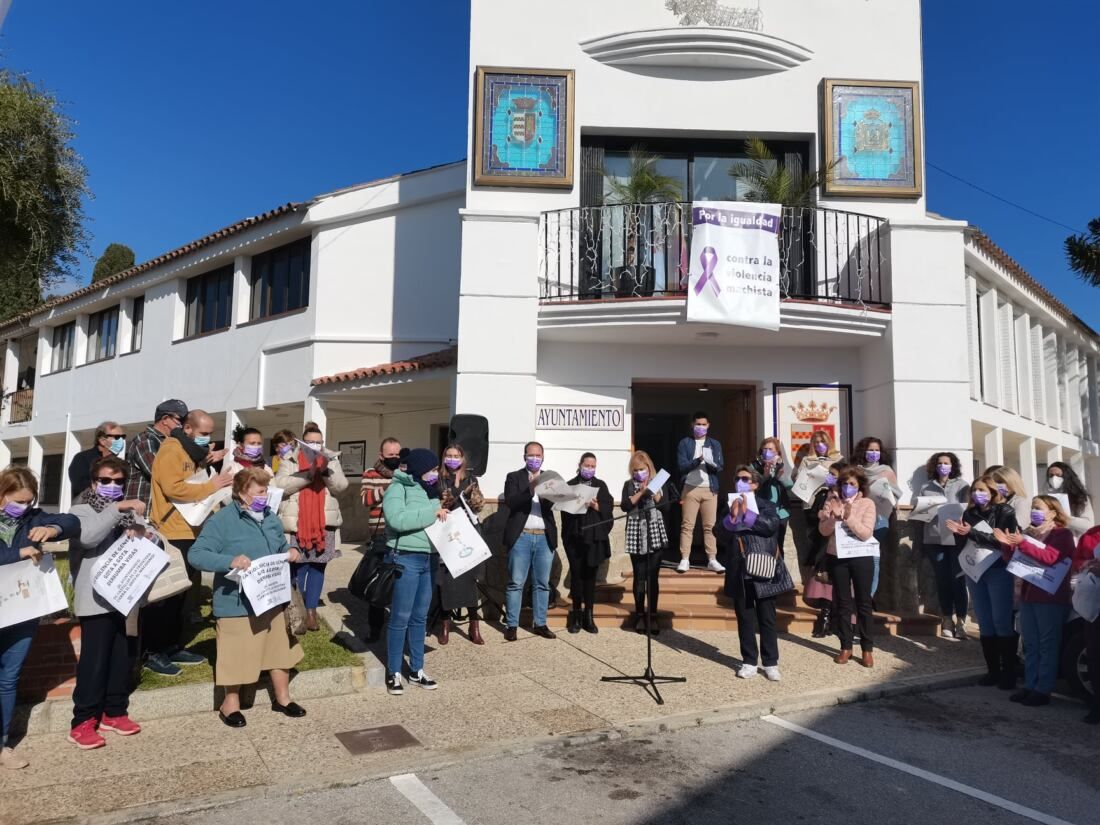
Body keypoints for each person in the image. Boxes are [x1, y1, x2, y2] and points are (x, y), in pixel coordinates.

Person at [187, 467, 306, 727]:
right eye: (261, 491)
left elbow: (280, 546)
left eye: (267, 490)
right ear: (243, 494)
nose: (266, 496)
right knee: (236, 653)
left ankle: (283, 698)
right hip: (237, 601)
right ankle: (230, 704)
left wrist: (291, 550)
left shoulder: (270, 517)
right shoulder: (222, 521)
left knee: (279, 650)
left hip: (271, 598)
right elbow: (196, 554)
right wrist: (229, 560)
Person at [67, 457, 151, 749]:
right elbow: (88, 538)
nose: (112, 487)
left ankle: (114, 711)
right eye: (105, 480)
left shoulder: (130, 513)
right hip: (94, 599)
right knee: (95, 660)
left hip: (125, 597)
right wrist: (117, 509)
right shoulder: (80, 509)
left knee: (121, 656)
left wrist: (143, 533)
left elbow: (151, 543)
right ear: (93, 482)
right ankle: (83, 720)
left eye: (118, 482)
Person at [0, 467, 80, 769]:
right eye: (18, 501)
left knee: (8, 679)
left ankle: (3, 744)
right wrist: (17, 554)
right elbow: (15, 555)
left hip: (21, 613)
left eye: (29, 501)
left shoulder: (32, 518)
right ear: (2, 494)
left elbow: (71, 521)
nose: (23, 507)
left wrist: (53, 530)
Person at [147, 410, 233, 675]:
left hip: (192, 529)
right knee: (166, 596)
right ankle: (153, 651)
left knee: (182, 595)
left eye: (210, 434)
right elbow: (174, 487)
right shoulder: (171, 450)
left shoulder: (189, 452)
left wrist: (208, 461)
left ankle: (172, 645)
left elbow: (191, 478)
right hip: (173, 531)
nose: (207, 438)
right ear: (187, 428)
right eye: (203, 433)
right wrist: (213, 485)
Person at [994, 496, 1076, 707]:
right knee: (1030, 644)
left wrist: (1023, 543)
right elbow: (1013, 560)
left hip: (1049, 597)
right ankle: (1030, 685)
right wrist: (1007, 545)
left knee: (1047, 644)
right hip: (1028, 595)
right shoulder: (1029, 533)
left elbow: (1051, 557)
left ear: (1053, 513)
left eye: (1038, 508)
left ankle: (1043, 689)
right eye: (1032, 508)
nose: (1033, 512)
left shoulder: (1062, 534)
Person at [382, 448, 446, 695]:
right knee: (400, 617)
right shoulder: (398, 488)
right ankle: (394, 671)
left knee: (420, 617)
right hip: (405, 558)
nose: (435, 473)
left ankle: (417, 670)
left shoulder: (429, 489)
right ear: (419, 469)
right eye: (431, 469)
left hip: (428, 558)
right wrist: (432, 513)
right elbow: (397, 520)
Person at [946, 476, 1019, 689]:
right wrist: (959, 534)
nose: (978, 494)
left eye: (983, 490)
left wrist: (973, 533)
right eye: (975, 490)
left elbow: (1004, 541)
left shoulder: (1005, 511)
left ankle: (1009, 673)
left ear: (993, 492)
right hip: (975, 570)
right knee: (985, 621)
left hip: (997, 569)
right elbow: (965, 541)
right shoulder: (969, 512)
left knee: (1001, 621)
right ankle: (993, 671)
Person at [274, 423, 348, 633]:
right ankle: (294, 609)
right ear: (303, 442)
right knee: (298, 567)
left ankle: (311, 611)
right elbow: (280, 485)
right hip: (298, 523)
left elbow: (341, 487)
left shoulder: (332, 459)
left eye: (318, 441)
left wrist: (325, 472)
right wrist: (308, 475)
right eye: (311, 442)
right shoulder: (289, 459)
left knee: (317, 567)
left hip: (324, 523)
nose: (315, 445)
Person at [715, 466, 784, 680]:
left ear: (755, 483)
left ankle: (771, 662)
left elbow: (771, 526)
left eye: (745, 479)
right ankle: (749, 661)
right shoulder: (728, 506)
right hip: (739, 567)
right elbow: (719, 534)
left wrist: (748, 515)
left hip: (763, 565)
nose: (740, 482)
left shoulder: (767, 505)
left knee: (767, 617)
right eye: (737, 479)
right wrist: (733, 519)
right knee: (744, 617)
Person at [819, 466, 877, 667]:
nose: (848, 487)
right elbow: (823, 531)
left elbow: (866, 533)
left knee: (863, 602)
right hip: (838, 557)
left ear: (860, 485)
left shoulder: (867, 503)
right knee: (842, 602)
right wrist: (834, 517)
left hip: (861, 557)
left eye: (852, 484)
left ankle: (867, 648)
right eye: (845, 483)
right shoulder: (832, 501)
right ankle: (846, 646)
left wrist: (849, 516)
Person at [502, 442, 559, 641]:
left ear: (543, 457)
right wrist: (531, 488)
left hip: (544, 536)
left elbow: (553, 504)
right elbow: (512, 502)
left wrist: (546, 492)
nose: (534, 458)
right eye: (530, 455)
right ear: (524, 456)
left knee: (542, 584)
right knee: (516, 583)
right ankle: (512, 625)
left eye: (538, 455)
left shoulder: (549, 478)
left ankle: (540, 623)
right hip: (522, 536)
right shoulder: (514, 477)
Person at [434, 443, 487, 645]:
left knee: (469, 579)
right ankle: (445, 624)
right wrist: (455, 490)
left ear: (462, 458)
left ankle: (474, 625)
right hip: (447, 533)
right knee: (447, 580)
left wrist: (466, 493)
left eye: (456, 456)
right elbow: (440, 503)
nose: (452, 459)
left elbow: (478, 505)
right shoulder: (439, 478)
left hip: (468, 535)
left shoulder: (471, 478)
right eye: (449, 455)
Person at [918, 452, 971, 641]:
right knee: (943, 580)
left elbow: (968, 509)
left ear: (952, 465)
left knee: (958, 580)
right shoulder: (926, 487)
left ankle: (962, 622)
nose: (943, 466)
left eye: (946, 463)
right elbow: (920, 512)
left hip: (956, 539)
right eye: (939, 463)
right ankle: (947, 619)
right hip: (935, 539)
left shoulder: (962, 485)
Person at [561, 452, 613, 634]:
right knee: (576, 576)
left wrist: (596, 505)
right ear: (580, 465)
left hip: (594, 539)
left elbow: (608, 509)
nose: (589, 469)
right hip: (574, 538)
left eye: (593, 466)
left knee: (590, 578)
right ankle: (576, 615)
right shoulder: (570, 485)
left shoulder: (601, 485)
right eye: (587, 465)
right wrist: (576, 503)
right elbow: (564, 512)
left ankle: (589, 616)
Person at [621, 450, 672, 635]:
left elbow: (666, 507)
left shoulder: (659, 483)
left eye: (642, 469)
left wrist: (655, 495)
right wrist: (640, 493)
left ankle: (653, 615)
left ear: (649, 468)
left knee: (653, 577)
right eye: (635, 470)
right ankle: (639, 615)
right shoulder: (628, 485)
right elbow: (625, 506)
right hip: (636, 532)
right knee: (639, 576)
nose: (639, 473)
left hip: (654, 532)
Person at [359, 437, 403, 641]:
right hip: (381, 534)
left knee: (400, 581)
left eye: (397, 455)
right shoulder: (371, 473)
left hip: (402, 533)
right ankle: (374, 628)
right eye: (390, 455)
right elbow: (365, 499)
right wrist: (388, 488)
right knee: (380, 582)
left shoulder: (404, 473)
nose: (395, 458)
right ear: (381, 456)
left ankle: (398, 624)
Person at [852, 436, 902, 597]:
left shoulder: (886, 471)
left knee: (872, 557)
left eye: (877, 450)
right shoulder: (856, 470)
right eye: (870, 450)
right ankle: (855, 594)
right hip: (859, 517)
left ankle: (868, 596)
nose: (874, 453)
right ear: (863, 451)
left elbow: (897, 494)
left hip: (880, 519)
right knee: (857, 557)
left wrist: (884, 487)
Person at [675, 412, 725, 573]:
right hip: (690, 488)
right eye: (698, 424)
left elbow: (720, 466)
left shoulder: (714, 444)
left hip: (710, 488)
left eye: (704, 424)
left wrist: (710, 463)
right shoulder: (685, 443)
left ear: (708, 425)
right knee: (687, 525)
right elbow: (682, 466)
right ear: (692, 425)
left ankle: (712, 559)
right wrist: (698, 460)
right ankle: (684, 559)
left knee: (710, 526)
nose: (701, 427)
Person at [802, 462, 845, 637]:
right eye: (829, 474)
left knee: (840, 583)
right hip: (824, 543)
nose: (830, 477)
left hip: (844, 545)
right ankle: (825, 619)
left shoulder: (848, 497)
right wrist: (820, 514)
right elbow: (811, 515)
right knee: (825, 580)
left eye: (834, 474)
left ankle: (839, 620)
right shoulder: (823, 494)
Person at [125, 400, 188, 510]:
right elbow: (159, 473)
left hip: (162, 514)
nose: (182, 425)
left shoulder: (174, 443)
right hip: (143, 515)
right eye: (180, 420)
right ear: (165, 419)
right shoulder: (145, 440)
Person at [751, 437, 793, 567]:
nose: (767, 452)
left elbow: (790, 485)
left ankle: (779, 575)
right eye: (764, 449)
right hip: (762, 512)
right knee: (763, 544)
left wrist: (779, 476)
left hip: (780, 512)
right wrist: (765, 475)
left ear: (777, 453)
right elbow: (753, 486)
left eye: (770, 449)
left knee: (778, 545)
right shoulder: (754, 466)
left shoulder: (782, 466)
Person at [1075, 526, 1100, 724]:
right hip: (1095, 606)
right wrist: (1088, 564)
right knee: (1095, 656)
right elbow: (1077, 559)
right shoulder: (1094, 534)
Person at [68, 421, 127, 499]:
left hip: (115, 508)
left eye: (122, 437)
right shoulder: (82, 458)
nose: (121, 441)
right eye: (116, 437)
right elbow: (79, 486)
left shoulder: (120, 463)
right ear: (102, 440)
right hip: (88, 508)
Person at [1045, 462, 1094, 539]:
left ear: (1066, 477)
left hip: (1074, 544)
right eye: (1051, 476)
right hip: (1052, 542)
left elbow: (1088, 525)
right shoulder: (1046, 497)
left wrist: (1065, 518)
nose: (1054, 478)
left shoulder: (1080, 498)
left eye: (1058, 475)